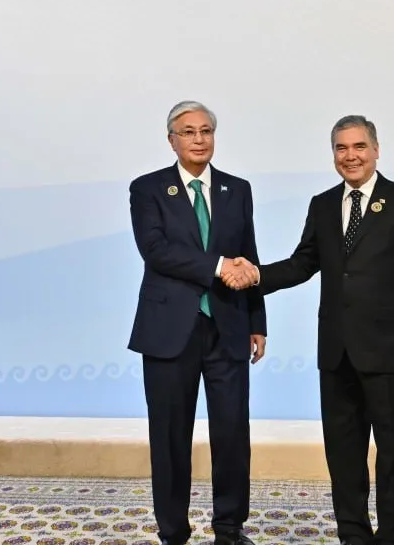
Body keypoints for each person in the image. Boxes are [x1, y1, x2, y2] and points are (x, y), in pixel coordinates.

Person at [225, 115, 394, 545]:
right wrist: (255, 276)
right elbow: (303, 263)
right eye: (342, 148)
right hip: (336, 352)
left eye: (359, 146)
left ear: (376, 150)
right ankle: (353, 535)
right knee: (343, 453)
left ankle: (390, 537)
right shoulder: (323, 204)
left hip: (392, 351)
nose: (351, 156)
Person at [127, 100, 266, 545]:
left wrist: (257, 321)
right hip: (169, 331)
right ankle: (173, 531)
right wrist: (219, 265)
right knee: (170, 437)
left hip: (228, 326)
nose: (199, 139)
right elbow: (156, 251)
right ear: (172, 140)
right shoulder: (148, 189)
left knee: (232, 432)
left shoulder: (236, 189)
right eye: (188, 132)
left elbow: (249, 255)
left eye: (206, 131)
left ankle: (229, 527)